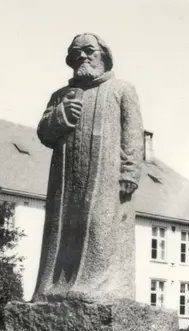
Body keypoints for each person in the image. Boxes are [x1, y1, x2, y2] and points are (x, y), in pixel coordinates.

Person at [32, 33, 144, 302]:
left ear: (103, 55)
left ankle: (98, 288)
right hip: (65, 181)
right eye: (75, 52)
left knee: (98, 227)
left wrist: (129, 171)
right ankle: (54, 288)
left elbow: (133, 134)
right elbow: (44, 134)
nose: (82, 56)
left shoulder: (121, 89)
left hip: (106, 177)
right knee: (64, 230)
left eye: (88, 50)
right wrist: (60, 115)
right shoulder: (61, 95)